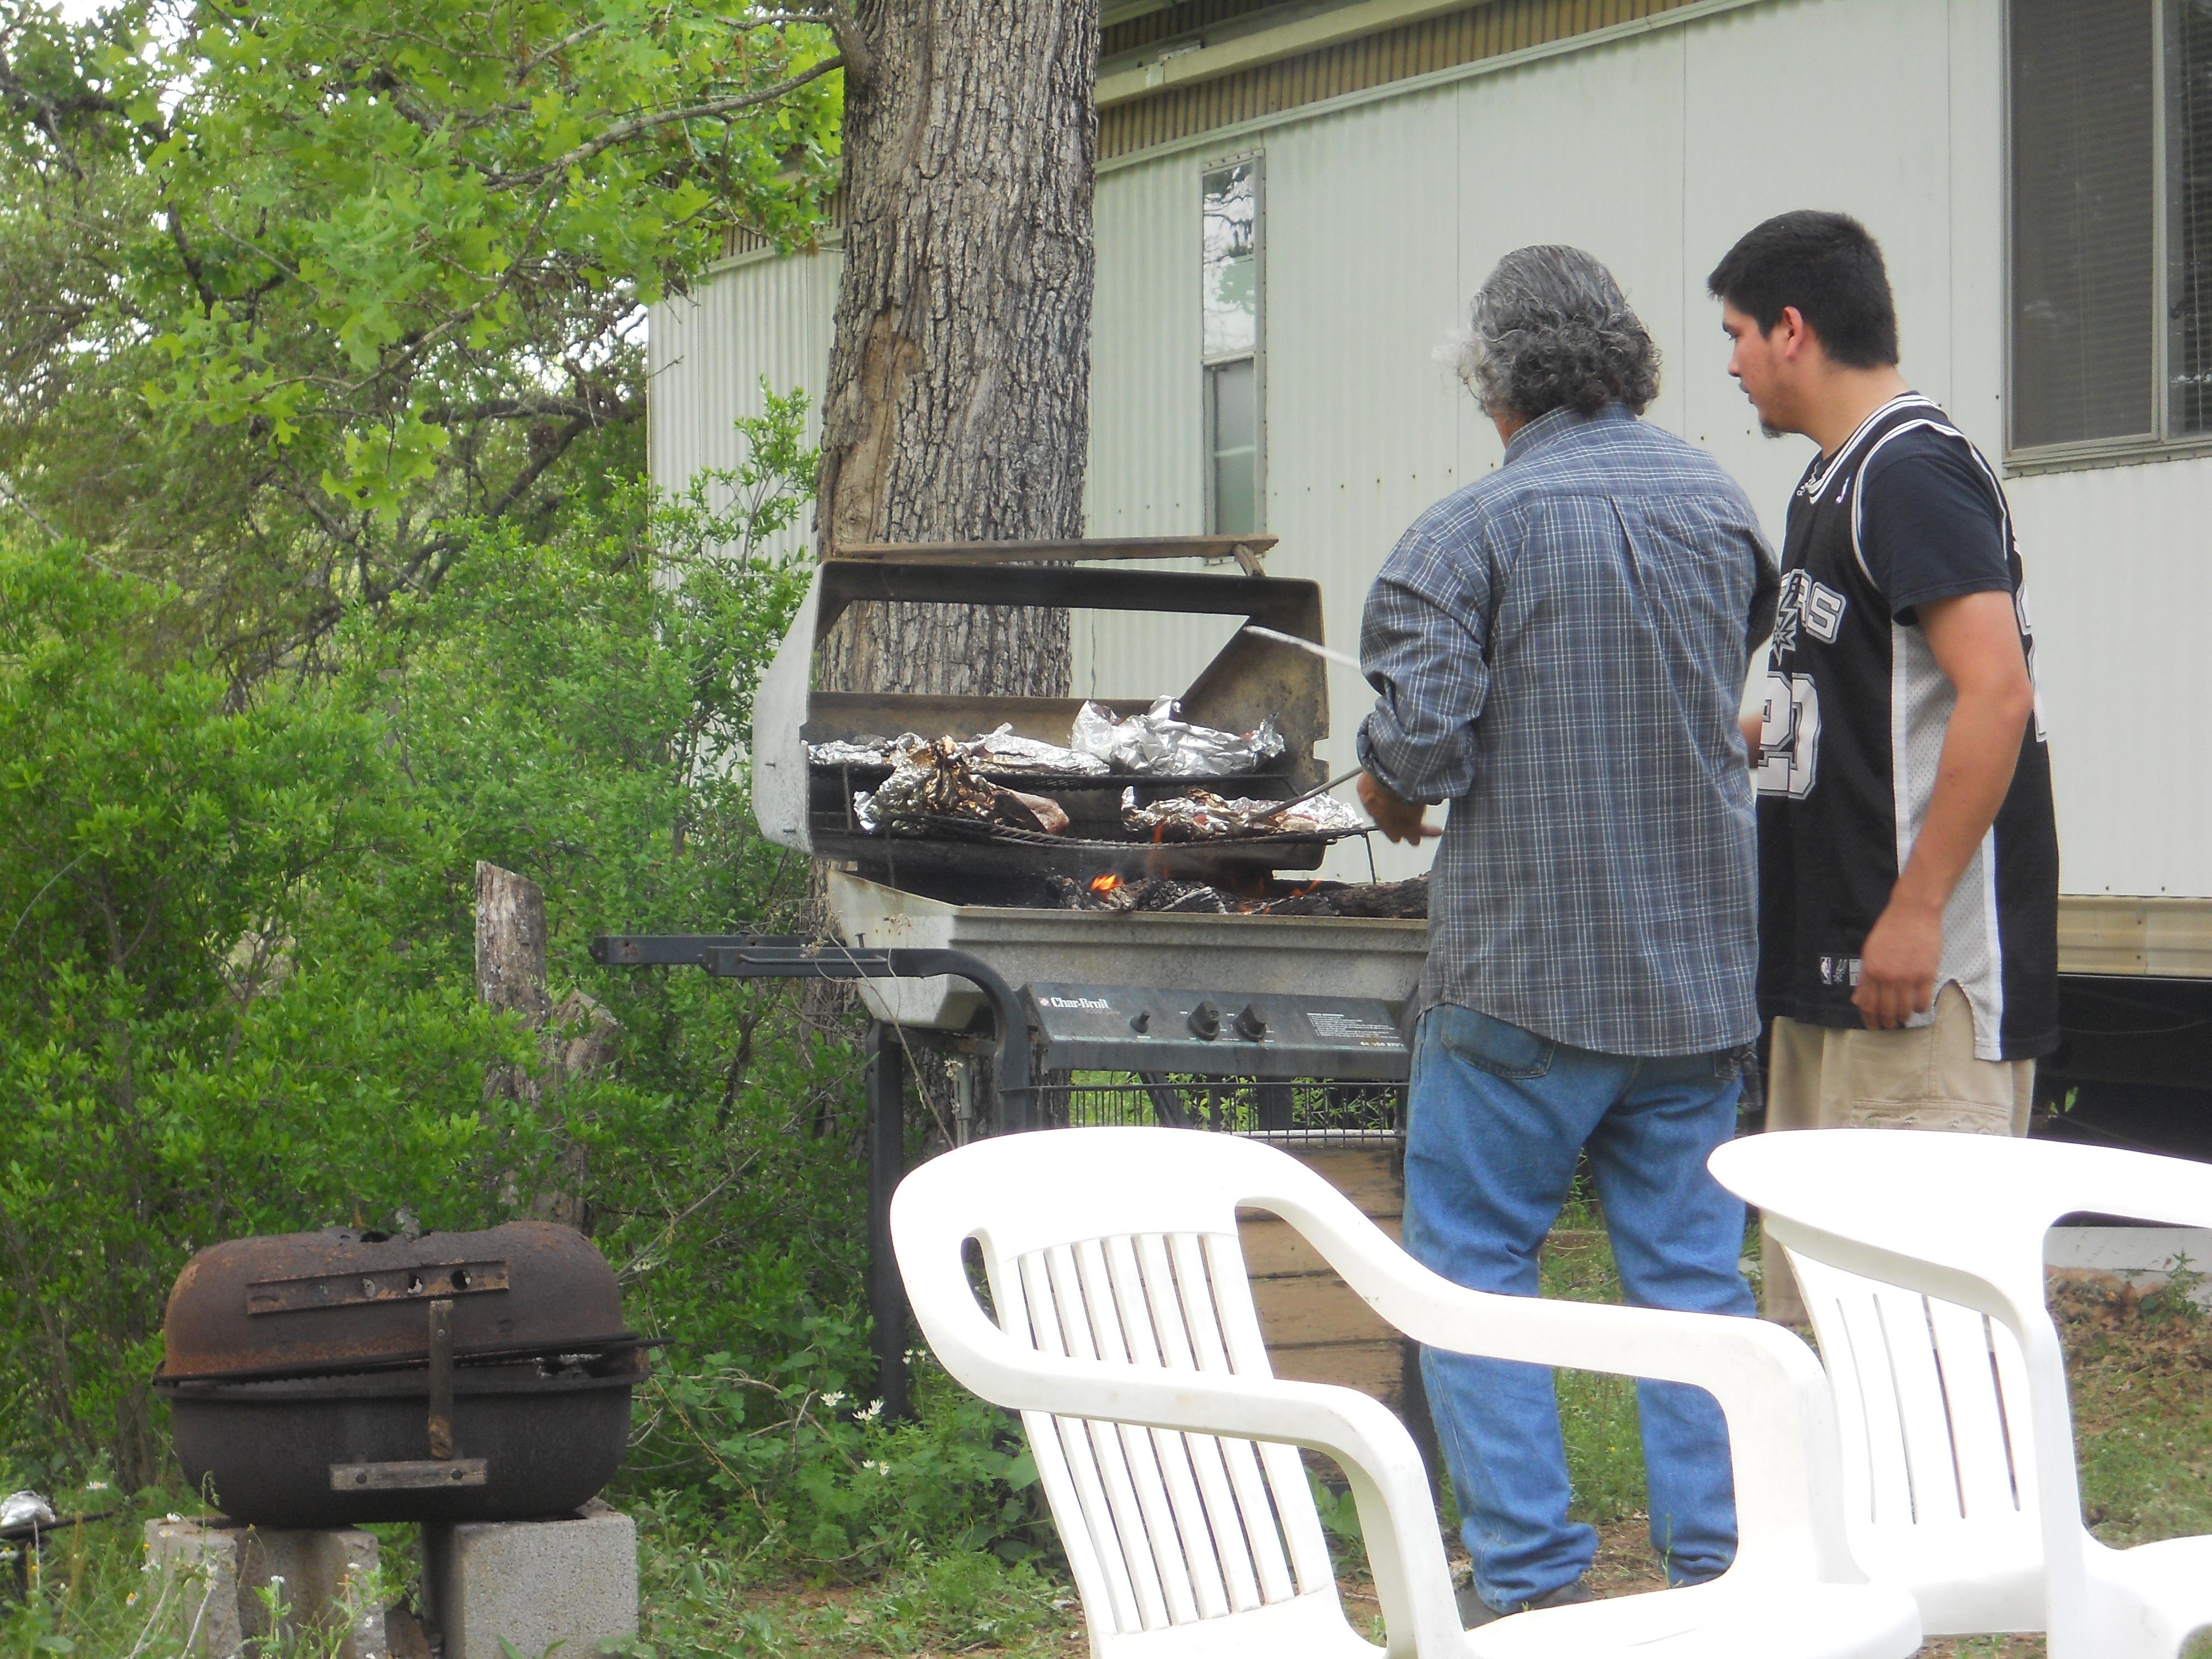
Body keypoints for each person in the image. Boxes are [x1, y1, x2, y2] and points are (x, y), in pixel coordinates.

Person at [1357, 246, 1777, 1625]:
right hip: (1696, 980)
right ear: (1627, 362)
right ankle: (1725, 1579)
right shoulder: (1719, 508)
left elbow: (1420, 754)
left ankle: (1532, 1583)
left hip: (1522, 987)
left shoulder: (1459, 535)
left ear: (1492, 382)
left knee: (1473, 1267)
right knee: (1691, 1283)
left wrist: (1380, 788)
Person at [1706, 211, 2059, 1327]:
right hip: (1831, 977)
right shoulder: (1830, 481)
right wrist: (1729, 735)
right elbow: (1859, 703)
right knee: (1823, 1334)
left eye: (1736, 335)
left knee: (1920, 1347)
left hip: (1919, 990)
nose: (1731, 365)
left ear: (1791, 329)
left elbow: (1996, 693)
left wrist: (1914, 912)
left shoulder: (1910, 470)